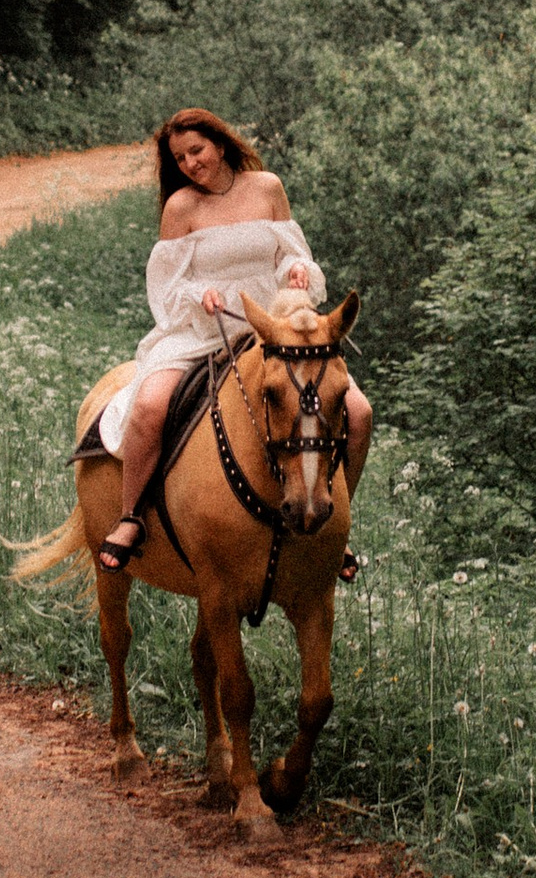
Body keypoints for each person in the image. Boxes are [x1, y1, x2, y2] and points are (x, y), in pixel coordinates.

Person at [94, 109, 373, 574]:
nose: (189, 164)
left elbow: (290, 254)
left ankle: (336, 521)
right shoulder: (181, 207)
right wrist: (195, 292)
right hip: (203, 331)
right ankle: (131, 517)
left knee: (359, 413)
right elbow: (166, 283)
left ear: (221, 145)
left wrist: (295, 272)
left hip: (272, 330)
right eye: (179, 157)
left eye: (196, 151)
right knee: (150, 406)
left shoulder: (267, 188)